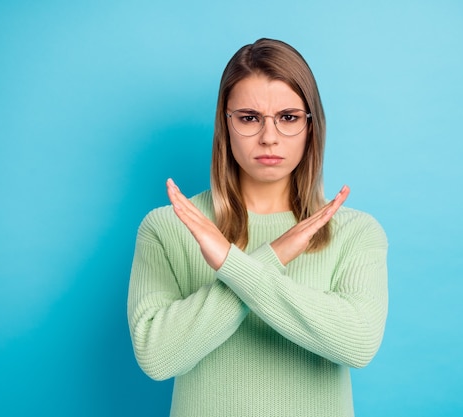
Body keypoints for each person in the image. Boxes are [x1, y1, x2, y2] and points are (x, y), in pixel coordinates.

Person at [127, 38, 388, 417]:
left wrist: (233, 265)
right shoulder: (169, 227)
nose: (269, 136)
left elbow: (358, 344)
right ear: (226, 124)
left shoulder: (355, 232)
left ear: (311, 127)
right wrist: (274, 256)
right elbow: (157, 357)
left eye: (288, 117)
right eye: (249, 118)